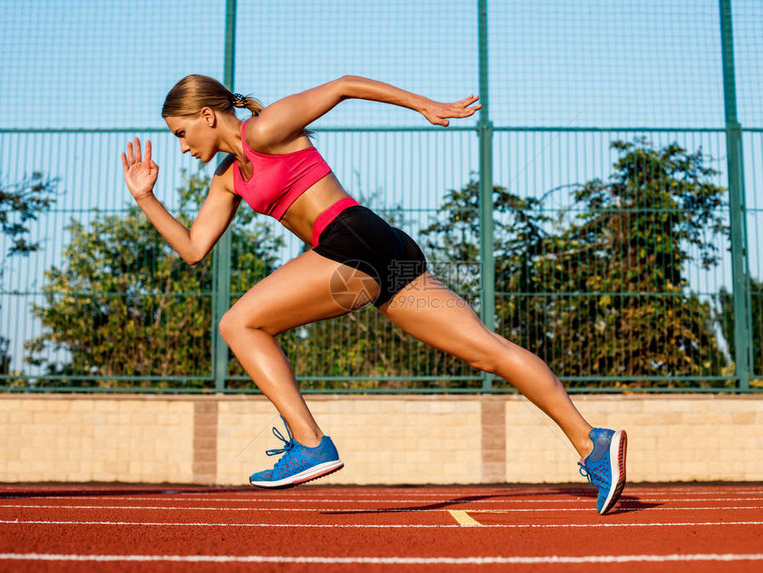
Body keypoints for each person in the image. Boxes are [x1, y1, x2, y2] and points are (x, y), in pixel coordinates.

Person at [121, 74, 627, 514]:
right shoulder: (226, 180)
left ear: (207, 115)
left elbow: (344, 86)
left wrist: (424, 104)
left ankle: (310, 442)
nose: (182, 146)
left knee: (239, 323)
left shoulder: (265, 129)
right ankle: (593, 443)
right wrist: (146, 197)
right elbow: (193, 248)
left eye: (181, 133)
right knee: (488, 350)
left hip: (350, 239)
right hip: (381, 249)